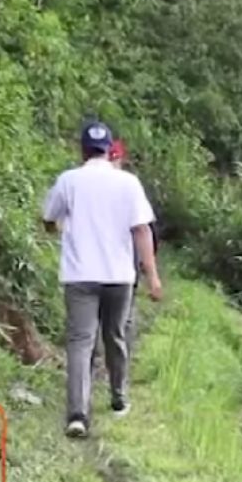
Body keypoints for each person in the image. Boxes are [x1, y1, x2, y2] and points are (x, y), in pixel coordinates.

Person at [42, 121, 162, 440]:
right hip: (119, 276)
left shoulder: (68, 181)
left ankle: (78, 414)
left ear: (82, 150)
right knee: (115, 335)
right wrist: (152, 276)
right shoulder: (128, 183)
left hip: (80, 275)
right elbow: (141, 230)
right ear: (110, 150)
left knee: (81, 342)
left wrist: (59, 228)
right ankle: (119, 397)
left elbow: (49, 219)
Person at [90, 140, 159, 380]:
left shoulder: (128, 187)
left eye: (116, 158)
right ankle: (104, 367)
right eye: (111, 158)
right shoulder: (101, 186)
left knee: (122, 319)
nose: (113, 163)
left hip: (126, 262)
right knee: (105, 318)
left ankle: (118, 368)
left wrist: (148, 266)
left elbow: (145, 228)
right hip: (102, 262)